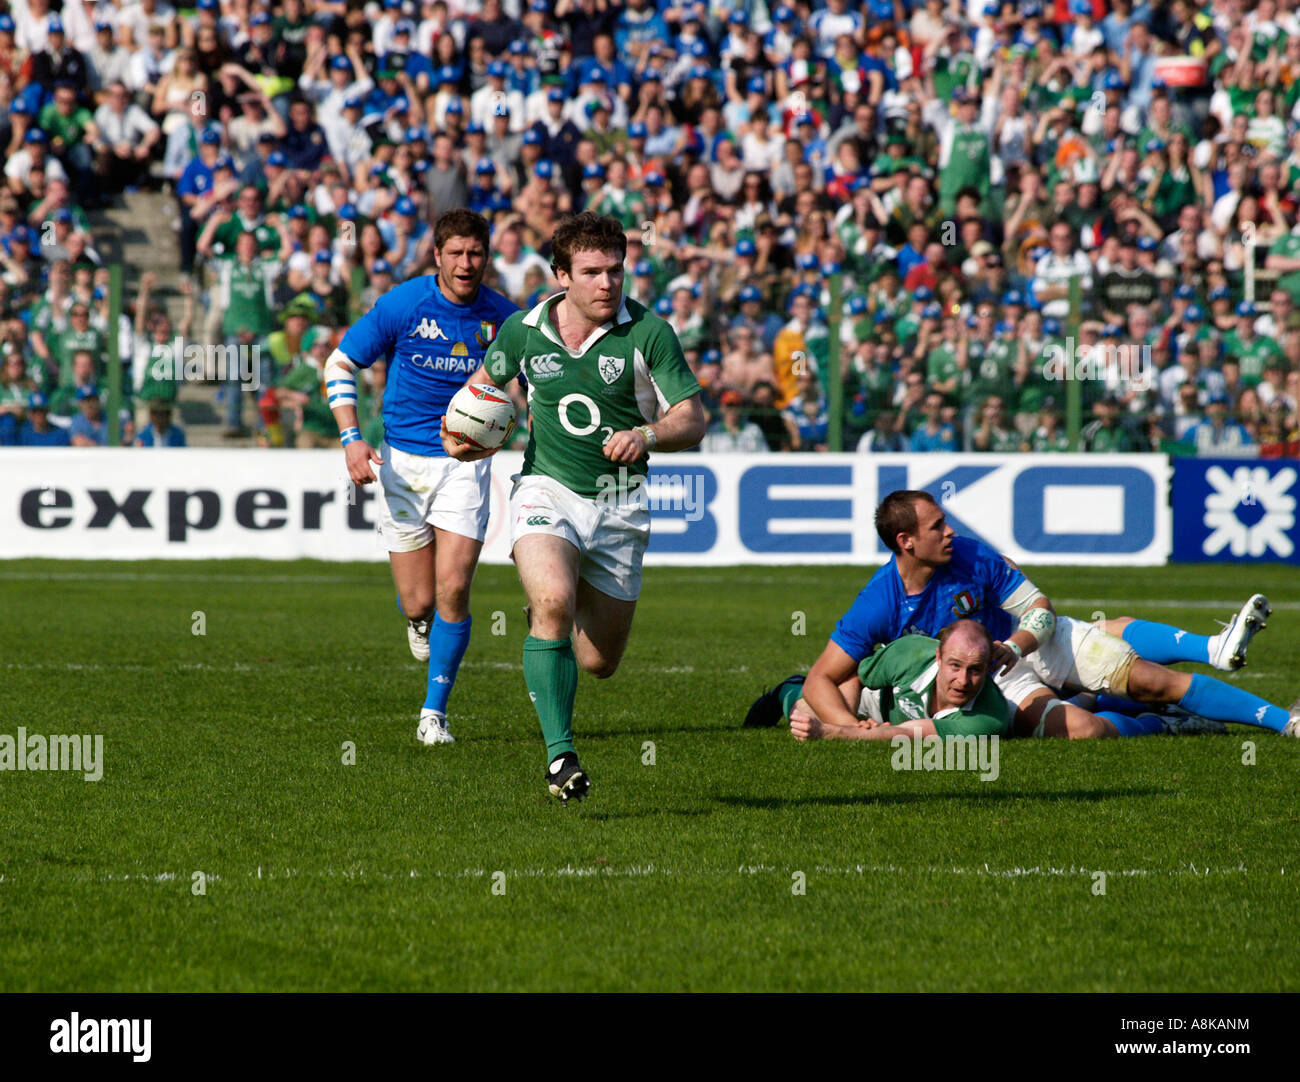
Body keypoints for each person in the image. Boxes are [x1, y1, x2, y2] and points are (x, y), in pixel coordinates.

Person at [456, 211, 707, 803]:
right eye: (592, 272)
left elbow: (693, 418)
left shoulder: (650, 333)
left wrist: (646, 435)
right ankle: (559, 758)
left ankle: (552, 636)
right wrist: (461, 435)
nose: (607, 284)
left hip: (621, 505)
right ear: (561, 274)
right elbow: (480, 393)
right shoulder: (523, 329)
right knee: (552, 603)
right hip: (547, 489)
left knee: (598, 662)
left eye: (615, 271)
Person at [746, 490, 1298, 740]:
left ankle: (1284, 722)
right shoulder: (879, 601)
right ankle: (1171, 726)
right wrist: (852, 728)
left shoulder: (971, 554)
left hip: (1021, 649)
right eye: (937, 526)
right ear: (906, 541)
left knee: (1154, 678)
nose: (950, 531)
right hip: (988, 679)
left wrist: (1017, 644)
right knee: (1081, 730)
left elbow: (1040, 607)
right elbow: (824, 676)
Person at [325, 208, 519, 746]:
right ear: (437, 256)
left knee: (454, 588)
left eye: (475, 253)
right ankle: (416, 620)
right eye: (455, 253)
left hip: (466, 464)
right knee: (420, 602)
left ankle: (434, 713)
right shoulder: (402, 304)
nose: (466, 263)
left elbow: (541, 380)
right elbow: (338, 364)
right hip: (401, 466)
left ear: (487, 257)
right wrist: (351, 440)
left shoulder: (507, 318)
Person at [789, 620, 1012, 743]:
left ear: (988, 668)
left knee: (817, 726)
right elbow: (853, 673)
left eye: (975, 670)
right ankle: (786, 691)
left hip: (892, 724)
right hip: (872, 698)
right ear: (939, 657)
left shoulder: (988, 720)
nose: (963, 681)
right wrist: (846, 724)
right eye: (955, 666)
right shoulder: (908, 653)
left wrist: (830, 732)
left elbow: (905, 734)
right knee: (806, 712)